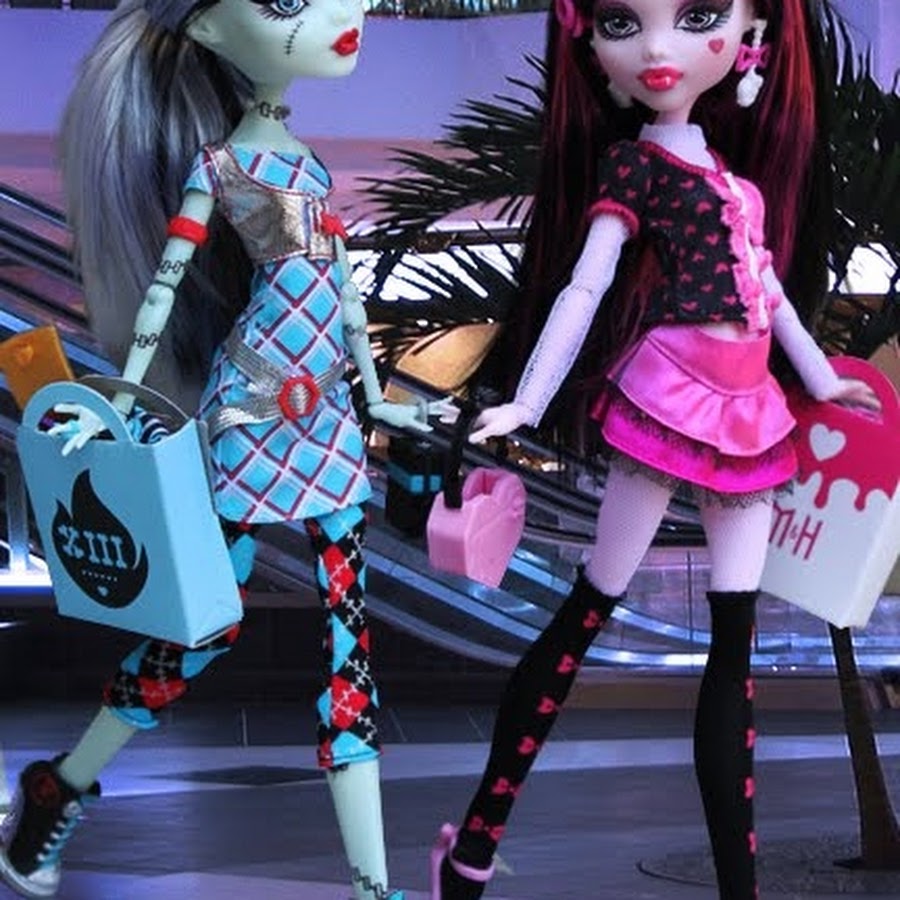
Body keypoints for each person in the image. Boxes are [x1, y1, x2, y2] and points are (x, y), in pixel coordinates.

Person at [0, 1, 448, 897]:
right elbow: (165, 285)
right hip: (250, 406)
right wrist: (123, 393)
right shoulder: (221, 165)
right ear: (205, 29)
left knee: (350, 648)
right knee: (202, 624)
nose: (343, 11)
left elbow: (344, 298)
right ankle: (61, 786)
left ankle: (373, 888)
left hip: (325, 411)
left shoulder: (309, 165)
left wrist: (376, 399)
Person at [429, 1, 877, 898]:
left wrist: (822, 382)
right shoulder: (636, 166)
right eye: (622, 23)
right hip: (669, 392)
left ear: (751, 37)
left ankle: (739, 888)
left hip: (749, 408)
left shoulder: (737, 184)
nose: (659, 48)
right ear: (588, 42)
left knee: (733, 644)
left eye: (697, 15)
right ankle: (472, 849)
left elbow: (769, 296)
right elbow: (585, 286)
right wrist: (528, 399)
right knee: (590, 605)